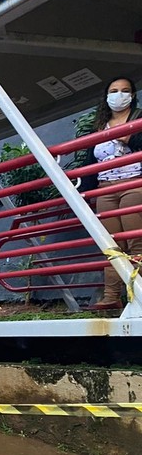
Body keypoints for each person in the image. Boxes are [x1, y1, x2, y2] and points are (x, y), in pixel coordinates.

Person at [79, 77, 142, 311]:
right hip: (105, 187)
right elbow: (89, 160)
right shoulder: (100, 124)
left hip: (135, 183)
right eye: (114, 91)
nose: (119, 95)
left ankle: (137, 296)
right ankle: (111, 296)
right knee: (112, 244)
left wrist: (130, 136)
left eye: (125, 91)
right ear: (106, 96)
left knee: (136, 241)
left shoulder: (139, 118)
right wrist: (84, 193)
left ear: (133, 95)